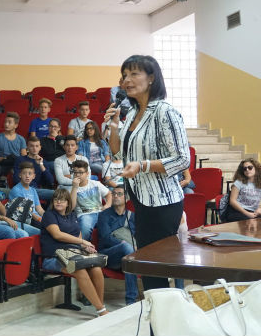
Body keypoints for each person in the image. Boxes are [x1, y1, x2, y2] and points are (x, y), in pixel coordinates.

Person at [106, 54, 190, 291]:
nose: (126, 80)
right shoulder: (131, 113)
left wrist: (143, 165)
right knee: (149, 269)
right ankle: (159, 322)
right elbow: (117, 153)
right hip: (142, 201)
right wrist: (113, 124)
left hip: (163, 203)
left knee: (156, 270)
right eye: (124, 76)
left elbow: (183, 159)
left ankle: (166, 323)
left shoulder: (164, 112)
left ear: (151, 78)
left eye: (134, 74)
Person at [40, 185, 109, 316]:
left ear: (68, 203)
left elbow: (78, 236)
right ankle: (101, 310)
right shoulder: (49, 215)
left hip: (74, 254)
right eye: (56, 200)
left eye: (62, 200)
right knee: (80, 270)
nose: (58, 202)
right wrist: (83, 242)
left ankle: (100, 305)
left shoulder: (72, 215)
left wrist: (85, 247)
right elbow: (57, 235)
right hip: (54, 257)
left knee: (96, 269)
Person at [96, 186, 138, 305]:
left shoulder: (132, 216)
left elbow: (138, 237)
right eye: (113, 194)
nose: (115, 196)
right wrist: (123, 243)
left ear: (127, 198)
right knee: (127, 248)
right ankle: (131, 300)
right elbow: (105, 237)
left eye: (119, 194)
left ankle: (133, 299)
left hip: (128, 256)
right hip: (109, 255)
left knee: (131, 255)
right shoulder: (104, 215)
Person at [71, 160, 111, 241]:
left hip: (100, 212)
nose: (78, 175)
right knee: (85, 227)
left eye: (81, 172)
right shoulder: (72, 189)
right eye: (75, 172)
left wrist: (107, 205)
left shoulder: (95, 183)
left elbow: (109, 194)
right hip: (85, 215)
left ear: (87, 173)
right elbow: (71, 207)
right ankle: (83, 247)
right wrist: (75, 187)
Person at [12, 136, 55, 201]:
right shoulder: (20, 160)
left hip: (37, 190)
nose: (34, 148)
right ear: (27, 147)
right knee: (55, 194)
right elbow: (16, 178)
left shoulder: (43, 162)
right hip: (23, 189)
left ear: (40, 147)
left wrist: (41, 165)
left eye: (37, 146)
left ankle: (47, 211)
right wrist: (30, 187)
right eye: (32, 146)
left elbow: (51, 181)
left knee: (57, 195)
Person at [8, 161, 45, 227]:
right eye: (24, 173)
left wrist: (47, 217)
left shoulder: (33, 190)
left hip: (37, 218)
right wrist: (39, 219)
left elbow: (39, 208)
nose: (27, 176)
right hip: (27, 219)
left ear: (33, 176)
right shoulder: (16, 190)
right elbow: (25, 210)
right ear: (20, 175)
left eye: (30, 174)